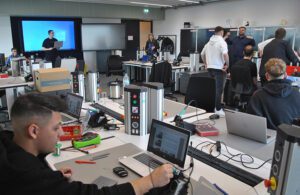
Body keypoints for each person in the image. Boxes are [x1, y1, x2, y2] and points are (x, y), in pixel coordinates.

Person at [0, 93, 174, 195]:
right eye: (56, 128)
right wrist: (150, 181)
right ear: (33, 131)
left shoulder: (8, 142)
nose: (61, 133)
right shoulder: (28, 177)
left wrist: (51, 176)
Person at [247, 58, 300, 130]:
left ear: (267, 76)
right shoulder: (297, 94)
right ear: (285, 75)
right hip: (289, 139)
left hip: (265, 139)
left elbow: (252, 123)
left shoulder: (257, 95)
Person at [201, 26, 229, 116]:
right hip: (219, 69)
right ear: (221, 32)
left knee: (211, 88)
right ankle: (218, 109)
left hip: (210, 69)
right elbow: (225, 54)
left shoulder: (209, 42)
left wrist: (206, 64)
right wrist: (227, 65)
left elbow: (202, 54)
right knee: (219, 90)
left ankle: (211, 106)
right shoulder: (222, 42)